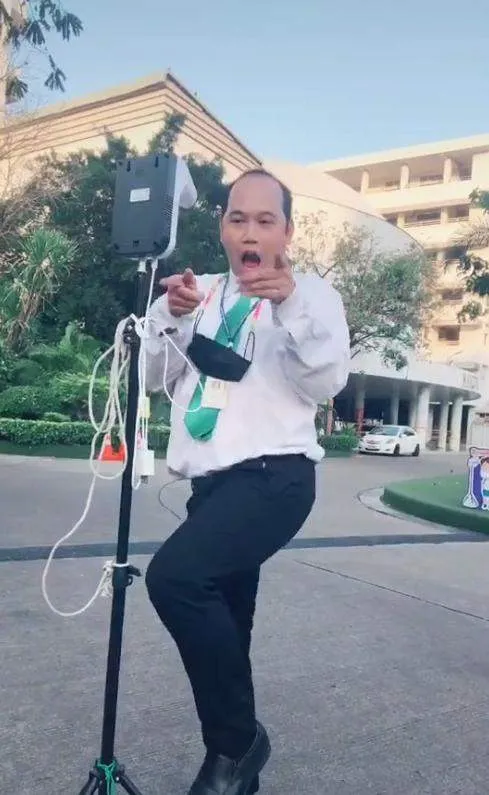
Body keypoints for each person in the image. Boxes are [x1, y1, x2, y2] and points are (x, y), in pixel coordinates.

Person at [144, 168, 350, 794]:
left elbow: (325, 383)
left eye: (266, 220)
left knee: (176, 579)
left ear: (287, 231)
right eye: (238, 219)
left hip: (274, 479)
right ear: (222, 227)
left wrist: (289, 306)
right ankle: (237, 775)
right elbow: (151, 378)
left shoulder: (313, 295)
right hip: (211, 490)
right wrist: (171, 316)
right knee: (229, 630)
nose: (251, 232)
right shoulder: (196, 292)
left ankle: (238, 745)